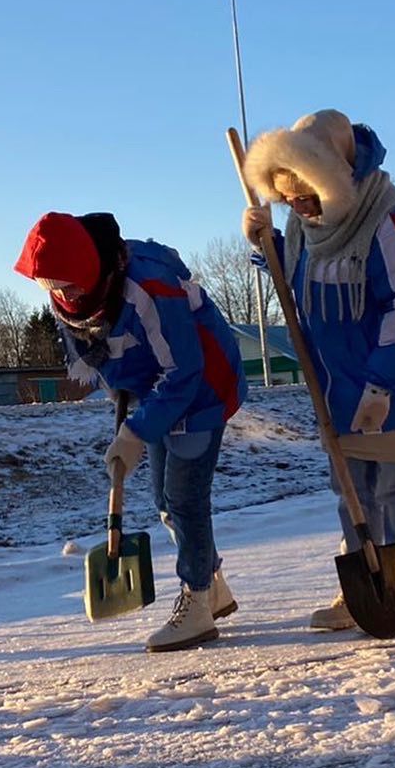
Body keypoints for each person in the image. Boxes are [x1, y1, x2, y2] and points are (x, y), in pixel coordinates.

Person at [239, 109, 395, 631]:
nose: (300, 209)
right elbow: (302, 283)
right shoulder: (307, 225)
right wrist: (268, 246)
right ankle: (362, 589)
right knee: (352, 490)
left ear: (334, 178)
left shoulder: (394, 220)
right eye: (289, 201)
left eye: (306, 198)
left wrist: (382, 385)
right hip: (336, 385)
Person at [14, 211, 248, 651]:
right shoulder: (69, 295)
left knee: (184, 497)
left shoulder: (149, 288)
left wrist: (137, 432)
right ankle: (212, 584)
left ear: (87, 268)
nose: (60, 296)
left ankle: (197, 601)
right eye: (51, 288)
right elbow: (99, 354)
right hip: (153, 392)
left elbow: (184, 372)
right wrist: (124, 408)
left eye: (66, 285)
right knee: (163, 500)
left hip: (204, 387)